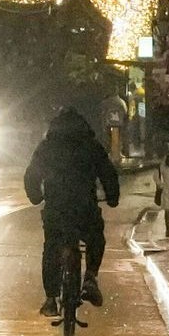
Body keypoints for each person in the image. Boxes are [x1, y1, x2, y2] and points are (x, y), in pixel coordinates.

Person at [24, 107, 120, 316]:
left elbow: (32, 174)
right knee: (95, 239)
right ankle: (90, 278)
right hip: (84, 206)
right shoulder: (91, 146)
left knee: (51, 248)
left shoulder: (47, 147)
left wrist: (36, 197)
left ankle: (51, 298)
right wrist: (112, 198)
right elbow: (108, 173)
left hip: (56, 208)